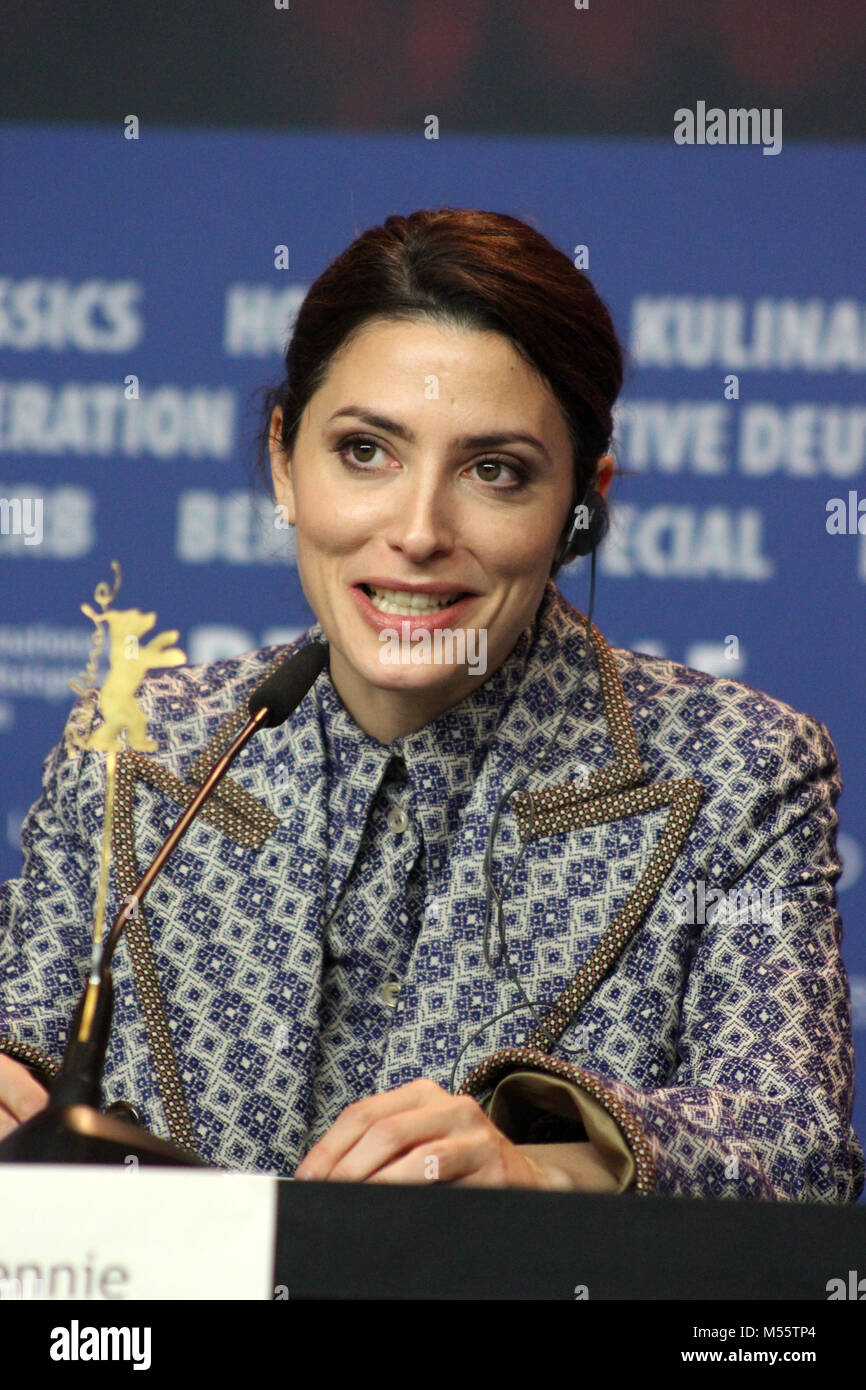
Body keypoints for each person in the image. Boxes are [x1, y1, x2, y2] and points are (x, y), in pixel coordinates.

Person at [0, 208, 862, 1201]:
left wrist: (547, 1168)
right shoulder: (134, 745)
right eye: (365, 452)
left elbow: (797, 1150)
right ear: (286, 460)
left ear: (580, 505)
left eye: (493, 471)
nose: (417, 531)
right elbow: (25, 1054)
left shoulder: (739, 768)